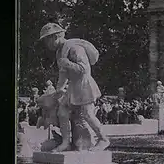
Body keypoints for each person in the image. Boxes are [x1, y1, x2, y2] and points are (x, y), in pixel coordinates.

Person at [38, 22, 110, 152]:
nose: (46, 45)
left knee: (88, 114)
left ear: (55, 37)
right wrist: (59, 89)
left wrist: (67, 63)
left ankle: (103, 139)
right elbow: (63, 73)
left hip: (84, 84)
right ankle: (66, 142)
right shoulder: (60, 52)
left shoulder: (75, 48)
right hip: (73, 86)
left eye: (46, 41)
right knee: (62, 111)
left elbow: (83, 69)